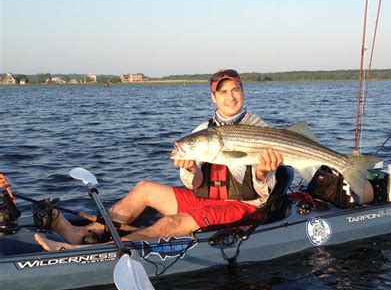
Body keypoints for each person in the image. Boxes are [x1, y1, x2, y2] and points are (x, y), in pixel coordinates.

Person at [35, 69, 283, 251]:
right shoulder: (203, 130)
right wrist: (190, 170)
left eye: (236, 90)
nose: (231, 97)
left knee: (172, 223)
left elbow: (263, 191)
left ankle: (90, 252)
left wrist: (261, 173)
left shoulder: (259, 129)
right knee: (144, 189)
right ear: (213, 98)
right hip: (207, 198)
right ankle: (84, 233)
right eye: (223, 92)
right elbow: (195, 184)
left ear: (243, 92)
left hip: (243, 205)